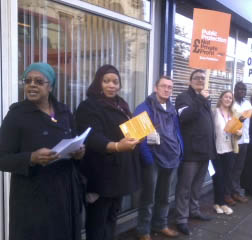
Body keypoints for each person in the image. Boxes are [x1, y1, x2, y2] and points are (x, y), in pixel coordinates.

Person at [0, 62, 85, 240]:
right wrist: (32, 157)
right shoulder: (16, 116)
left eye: (39, 81)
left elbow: (75, 141)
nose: (32, 85)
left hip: (64, 192)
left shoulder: (64, 111)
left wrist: (78, 153)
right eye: (28, 80)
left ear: (50, 86)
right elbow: (2, 158)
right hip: (33, 198)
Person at [75, 64, 141, 240]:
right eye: (106, 81)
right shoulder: (88, 106)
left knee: (112, 218)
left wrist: (139, 134)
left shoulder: (122, 104)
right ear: (98, 82)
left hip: (119, 175)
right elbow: (92, 136)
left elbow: (127, 131)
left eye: (115, 82)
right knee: (97, 221)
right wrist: (117, 146)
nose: (111, 85)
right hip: (100, 175)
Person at [134, 76, 183, 240]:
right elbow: (138, 137)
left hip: (171, 158)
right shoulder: (143, 108)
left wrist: (180, 149)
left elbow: (176, 131)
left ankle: (160, 225)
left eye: (170, 87)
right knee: (148, 198)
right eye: (163, 86)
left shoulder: (171, 108)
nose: (167, 89)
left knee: (164, 196)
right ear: (156, 88)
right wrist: (148, 159)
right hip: (153, 160)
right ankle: (144, 231)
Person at [175, 69, 215, 235]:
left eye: (203, 78)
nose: (200, 80)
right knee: (185, 187)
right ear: (189, 81)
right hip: (191, 151)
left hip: (205, 151)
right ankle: (181, 219)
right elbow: (185, 117)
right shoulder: (183, 97)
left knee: (197, 185)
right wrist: (200, 98)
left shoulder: (205, 98)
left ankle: (194, 210)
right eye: (197, 78)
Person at [212, 90, 241, 215]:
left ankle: (221, 202)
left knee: (226, 177)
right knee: (217, 177)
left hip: (229, 149)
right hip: (216, 149)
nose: (228, 99)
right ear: (221, 98)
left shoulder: (233, 114)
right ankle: (217, 203)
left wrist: (239, 133)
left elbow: (237, 132)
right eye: (226, 97)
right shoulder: (214, 112)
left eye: (230, 98)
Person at [228, 82, 251, 204]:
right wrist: (238, 119)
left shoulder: (247, 103)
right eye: (240, 89)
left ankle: (235, 192)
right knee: (231, 168)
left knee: (239, 168)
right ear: (235, 90)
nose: (242, 91)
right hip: (233, 140)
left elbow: (250, 118)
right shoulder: (231, 102)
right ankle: (229, 193)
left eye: (244, 89)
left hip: (244, 140)